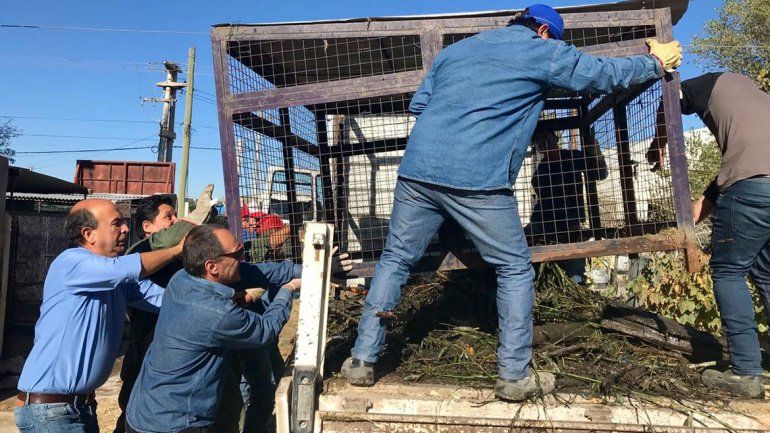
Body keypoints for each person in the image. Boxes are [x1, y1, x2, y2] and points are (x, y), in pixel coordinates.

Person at [341, 3, 682, 402]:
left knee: (396, 259)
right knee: (515, 267)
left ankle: (363, 359)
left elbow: (419, 106)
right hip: (476, 179)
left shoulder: (454, 52)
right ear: (543, 31)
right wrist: (654, 63)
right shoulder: (542, 49)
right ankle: (514, 375)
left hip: (418, 171)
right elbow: (602, 75)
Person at [14, 198, 184, 433]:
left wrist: (226, 298)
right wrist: (177, 249)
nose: (125, 229)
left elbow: (168, 301)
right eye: (116, 224)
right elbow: (127, 267)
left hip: (78, 407)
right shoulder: (72, 262)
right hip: (51, 412)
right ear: (89, 233)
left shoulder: (118, 280)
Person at [124, 225, 301, 433]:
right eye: (237, 254)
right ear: (212, 266)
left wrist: (303, 269)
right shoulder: (218, 314)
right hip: (178, 424)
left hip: (143, 414)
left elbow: (250, 272)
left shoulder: (181, 279)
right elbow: (266, 330)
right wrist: (287, 289)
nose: (242, 258)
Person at [660, 72, 770, 398]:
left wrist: (658, 143)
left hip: (751, 187)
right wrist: (701, 207)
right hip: (758, 186)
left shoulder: (707, 84)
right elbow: (741, 167)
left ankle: (747, 372)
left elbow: (668, 101)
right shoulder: (757, 101)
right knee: (766, 273)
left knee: (728, 271)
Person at [114, 187, 215, 433]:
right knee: (133, 414)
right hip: (146, 351)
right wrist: (197, 216)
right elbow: (170, 240)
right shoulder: (140, 252)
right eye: (168, 216)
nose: (175, 220)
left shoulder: (175, 255)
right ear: (148, 226)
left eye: (175, 216)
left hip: (167, 356)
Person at [525, 130, 608, 283]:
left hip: (571, 224)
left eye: (547, 139)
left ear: (555, 139)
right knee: (523, 247)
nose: (545, 144)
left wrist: (595, 150)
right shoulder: (541, 172)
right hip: (545, 223)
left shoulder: (573, 156)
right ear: (538, 148)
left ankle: (576, 286)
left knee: (575, 273)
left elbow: (601, 174)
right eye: (540, 142)